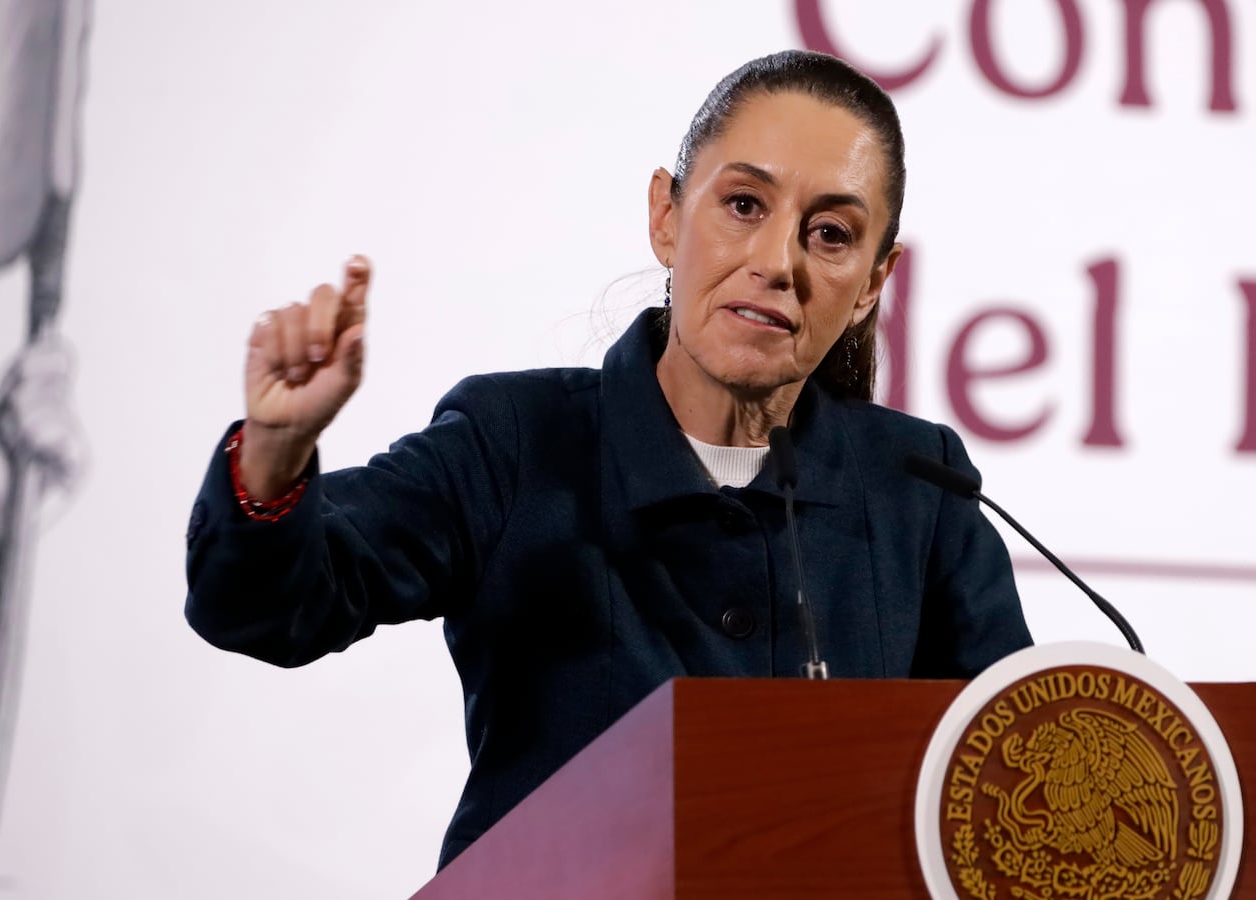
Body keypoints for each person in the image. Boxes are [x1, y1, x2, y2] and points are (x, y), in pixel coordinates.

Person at [184, 49, 1033, 869]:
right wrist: (276, 452)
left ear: (874, 284)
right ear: (666, 217)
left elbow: (1014, 783)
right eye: (743, 205)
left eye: (830, 233)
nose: (777, 263)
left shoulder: (921, 491)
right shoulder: (516, 439)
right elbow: (269, 610)